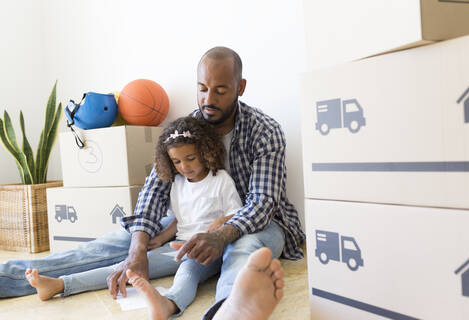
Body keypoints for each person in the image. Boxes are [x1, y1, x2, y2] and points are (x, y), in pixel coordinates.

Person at [0, 46, 305, 319]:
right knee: (118, 242)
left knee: (245, 247)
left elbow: (262, 204)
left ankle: (228, 311)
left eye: (220, 90)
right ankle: (7, 278)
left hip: (257, 223)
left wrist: (220, 235)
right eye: (202, 89)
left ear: (240, 87)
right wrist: (138, 248)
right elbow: (154, 190)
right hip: (190, 220)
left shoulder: (265, 131)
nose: (208, 99)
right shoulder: (186, 129)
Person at [23, 117, 242, 315]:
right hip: (177, 245)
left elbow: (235, 214)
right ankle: (60, 285)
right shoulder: (177, 183)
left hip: (206, 251)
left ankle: (170, 303)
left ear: (206, 151)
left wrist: (217, 225)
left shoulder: (220, 180)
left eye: (191, 158)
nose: (184, 167)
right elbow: (182, 219)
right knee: (126, 267)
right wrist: (161, 238)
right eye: (176, 162)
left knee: (187, 273)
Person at [128, 247, 284, 320]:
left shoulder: (221, 184)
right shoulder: (179, 187)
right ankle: (168, 303)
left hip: (241, 230)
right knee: (188, 267)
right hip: (204, 241)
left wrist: (218, 230)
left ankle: (228, 307)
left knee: (238, 253)